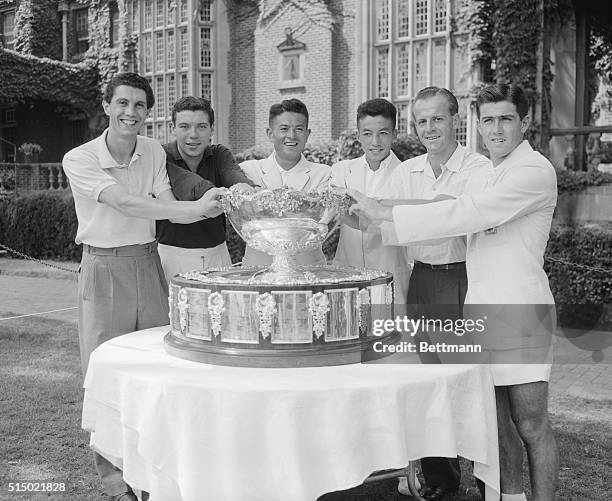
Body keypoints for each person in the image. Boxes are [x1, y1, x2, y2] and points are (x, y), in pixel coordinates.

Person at [349, 83, 559, 501]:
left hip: (522, 311)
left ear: (525, 122)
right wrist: (371, 213)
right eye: (488, 120)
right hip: (481, 308)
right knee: (496, 426)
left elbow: (465, 212)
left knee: (531, 426)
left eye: (505, 119)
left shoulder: (533, 171)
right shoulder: (494, 170)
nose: (495, 129)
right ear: (477, 125)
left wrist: (382, 209)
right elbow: (447, 206)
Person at [63, 72, 225, 501]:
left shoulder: (152, 149)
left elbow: (160, 203)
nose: (130, 113)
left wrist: (204, 208)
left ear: (147, 112)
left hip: (147, 261)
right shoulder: (79, 158)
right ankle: (115, 481)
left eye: (139, 105)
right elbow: (124, 202)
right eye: (122, 103)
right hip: (102, 267)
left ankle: (153, 473)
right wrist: (192, 209)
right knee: (104, 374)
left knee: (157, 368)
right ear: (107, 106)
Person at [381, 86, 490, 500]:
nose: (429, 128)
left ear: (456, 119)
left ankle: (485, 477)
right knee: (429, 379)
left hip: (463, 278)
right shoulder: (406, 171)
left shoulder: (477, 168)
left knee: (470, 379)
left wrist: (394, 210)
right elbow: (383, 221)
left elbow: (451, 216)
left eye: (437, 118)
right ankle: (441, 478)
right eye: (421, 121)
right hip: (422, 278)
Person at [156, 96, 255, 284]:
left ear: (211, 129)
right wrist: (222, 195)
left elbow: (233, 173)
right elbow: (190, 184)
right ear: (173, 128)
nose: (193, 135)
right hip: (171, 257)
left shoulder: (219, 154)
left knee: (222, 313)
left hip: (218, 256)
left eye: (201, 126)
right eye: (184, 126)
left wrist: (243, 187)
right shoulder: (162, 156)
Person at [330, 98, 411, 303]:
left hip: (390, 277)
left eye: (383, 133)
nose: (375, 142)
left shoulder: (409, 175)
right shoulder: (341, 171)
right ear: (358, 135)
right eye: (367, 134)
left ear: (394, 133)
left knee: (394, 334)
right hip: (347, 277)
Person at [240, 98, 331, 266]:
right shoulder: (249, 171)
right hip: (258, 268)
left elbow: (321, 223)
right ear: (270, 133)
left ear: (307, 134)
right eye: (284, 129)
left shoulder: (323, 174)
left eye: (299, 129)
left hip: (309, 269)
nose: (291, 136)